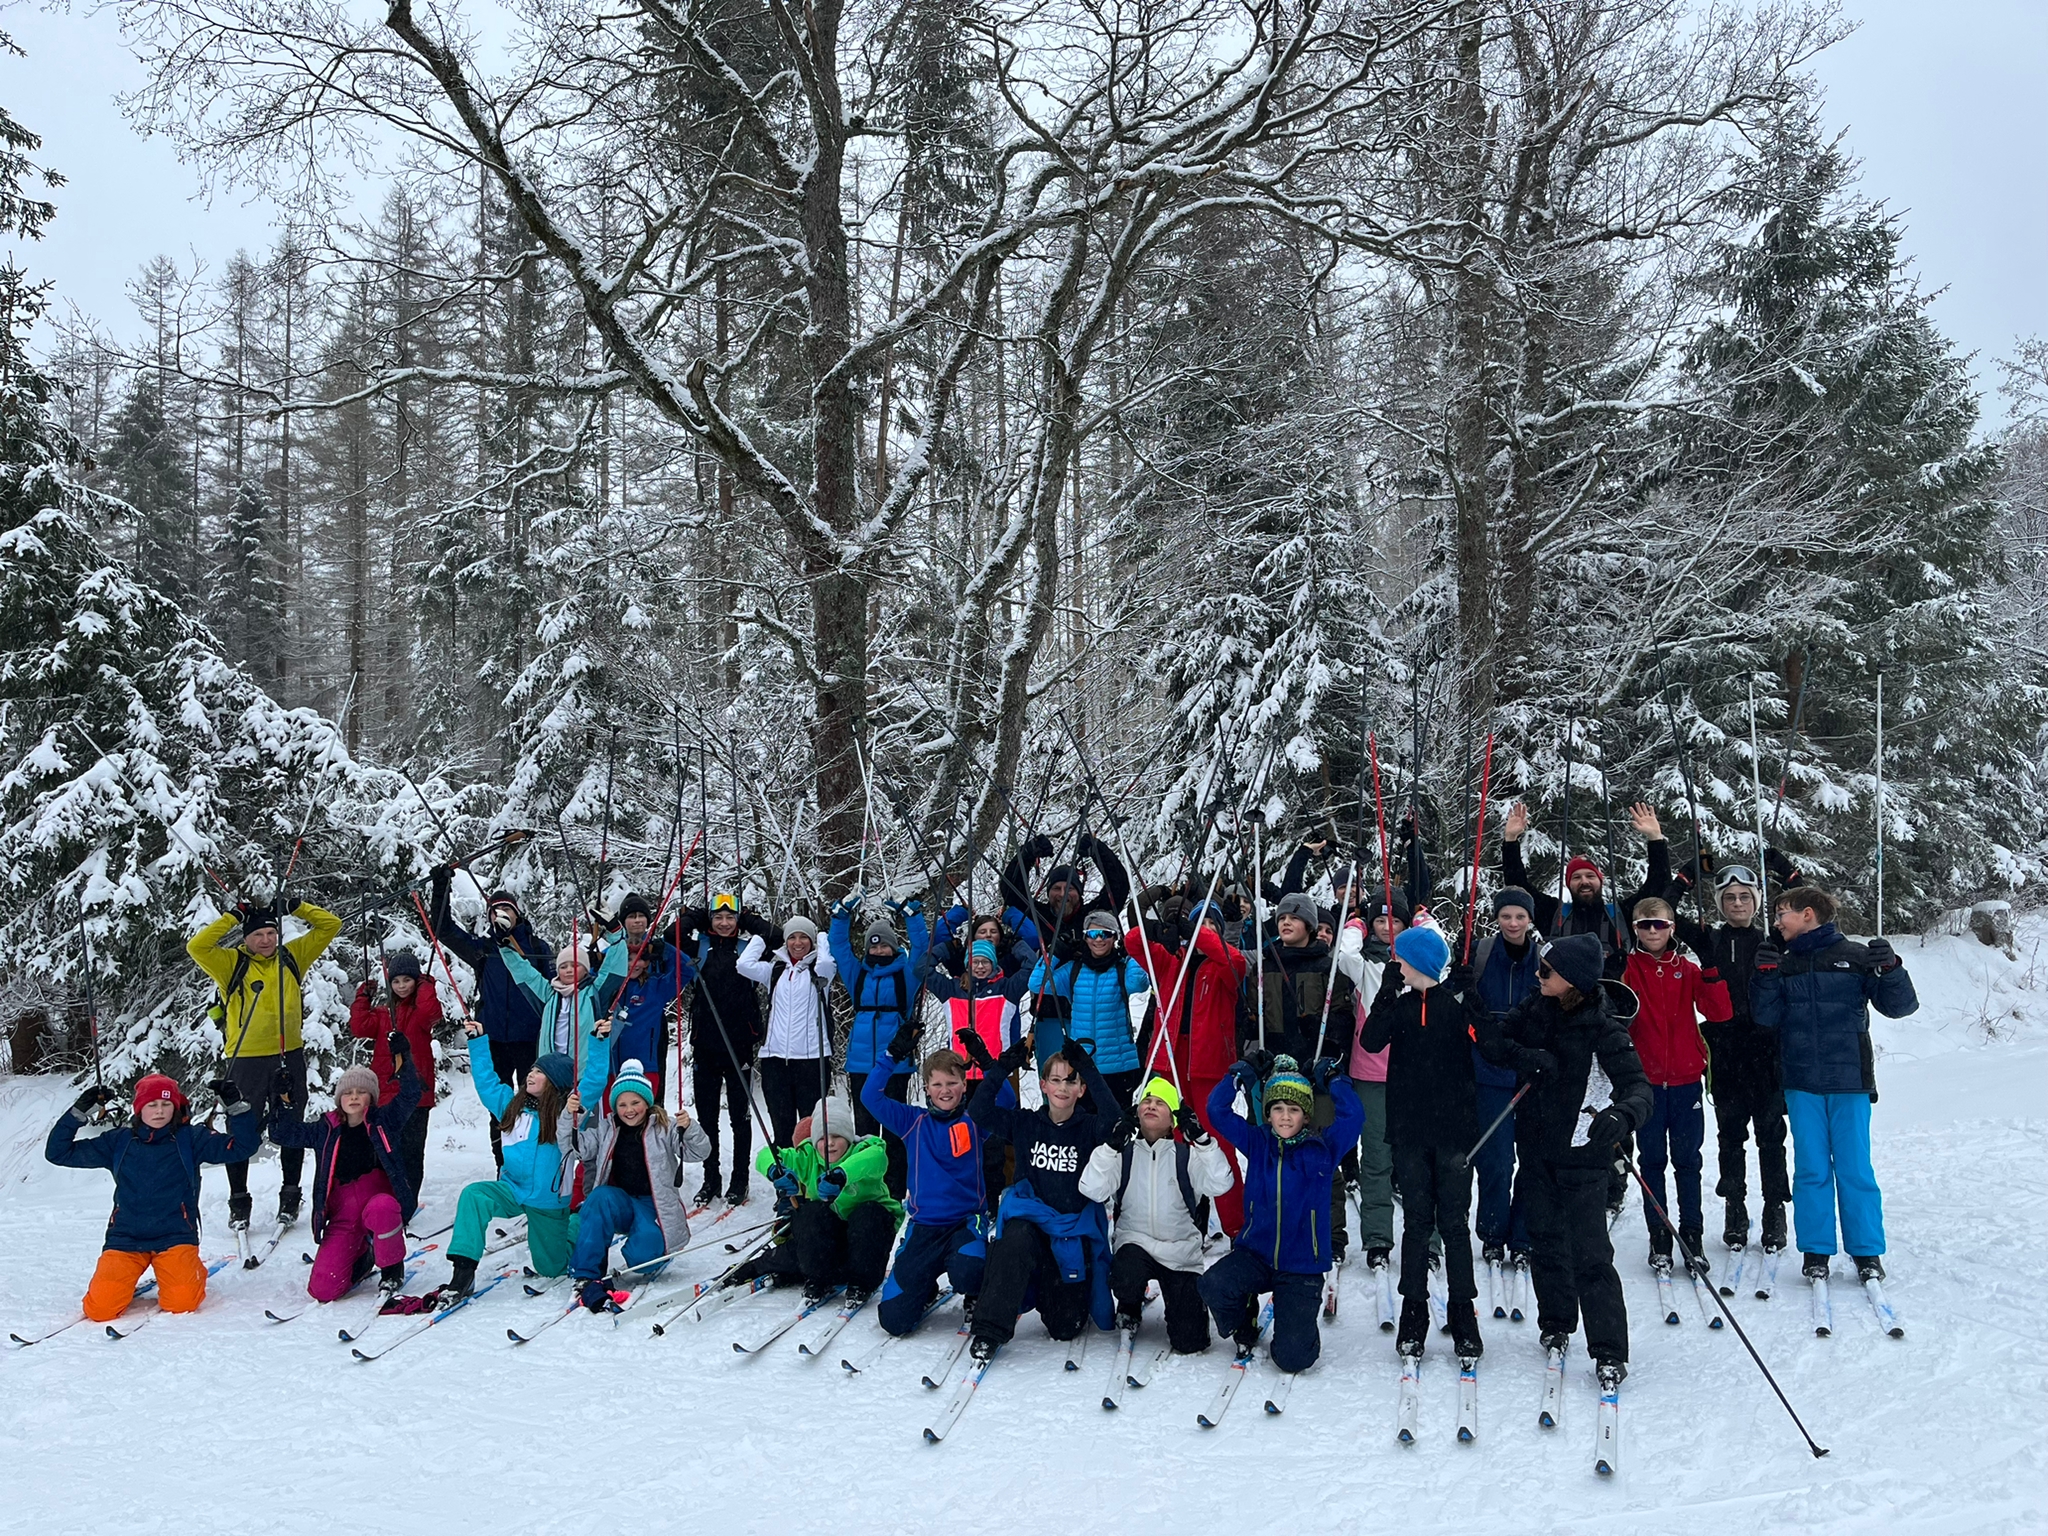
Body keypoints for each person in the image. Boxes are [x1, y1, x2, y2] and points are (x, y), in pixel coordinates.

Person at [1480, 932, 1652, 1387]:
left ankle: (1610, 1349)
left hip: (1583, 1155)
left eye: (1546, 971)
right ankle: (1556, 1324)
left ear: (1572, 979)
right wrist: (1529, 1056)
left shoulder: (1603, 1027)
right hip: (1535, 1151)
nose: (1538, 976)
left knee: (1591, 1254)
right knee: (1545, 1242)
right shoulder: (1536, 1009)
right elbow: (1493, 1043)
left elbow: (1638, 1089)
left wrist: (1622, 1115)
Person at [1750, 886, 1918, 1285]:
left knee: (1855, 1168)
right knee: (1810, 1169)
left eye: (1782, 913)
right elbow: (1766, 1018)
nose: (1776, 922)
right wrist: (1764, 977)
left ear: (1808, 914)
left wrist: (1891, 969)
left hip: (1850, 1081)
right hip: (1801, 1080)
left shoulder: (1858, 956)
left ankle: (1866, 1251)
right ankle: (1816, 1250)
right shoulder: (1784, 962)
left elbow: (1900, 1007)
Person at [1360, 921, 1486, 1358]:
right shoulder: (1400, 1005)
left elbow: (1489, 1044)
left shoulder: (1455, 1004)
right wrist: (1386, 992)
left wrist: (1473, 997)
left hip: (1455, 1135)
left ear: (1418, 963)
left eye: (1400, 960)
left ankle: (1463, 1310)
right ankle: (1414, 1311)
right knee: (1416, 1224)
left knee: (1453, 1224)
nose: (1396, 964)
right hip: (1410, 1133)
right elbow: (1371, 1041)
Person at [186, 894, 343, 1233]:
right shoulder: (231, 963)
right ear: (246, 939)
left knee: (290, 1127)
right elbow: (197, 947)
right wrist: (234, 916)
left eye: (271, 933)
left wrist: (294, 907)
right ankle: (239, 1202)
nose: (266, 940)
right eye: (258, 935)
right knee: (242, 1129)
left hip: (290, 1055)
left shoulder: (292, 956)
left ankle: (290, 1196)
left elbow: (331, 925)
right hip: (246, 1059)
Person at [1197, 1054, 1363, 1372]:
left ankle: (1297, 1321)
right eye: (1278, 1109)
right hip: (1256, 1255)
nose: (1285, 1117)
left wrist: (1335, 1080)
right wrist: (1237, 1075)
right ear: (1268, 1113)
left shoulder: (1323, 1149)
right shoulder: (1258, 1142)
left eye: (1294, 1110)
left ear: (1305, 1114)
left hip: (1301, 1265)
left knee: (1293, 1359)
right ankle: (1245, 1319)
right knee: (1213, 1284)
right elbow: (1216, 1111)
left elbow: (1353, 1116)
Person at [46, 1074, 259, 1322]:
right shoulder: (119, 1141)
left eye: (166, 1104)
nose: (159, 1111)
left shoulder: (191, 1139)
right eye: (152, 1105)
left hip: (175, 1236)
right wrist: (78, 1113)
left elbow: (244, 1147)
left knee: (182, 1303)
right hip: (125, 1238)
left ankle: (193, 1271)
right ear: (140, 1109)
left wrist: (236, 1108)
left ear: (176, 1107)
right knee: (100, 1310)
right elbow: (58, 1153)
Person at [959, 1034, 1120, 1361]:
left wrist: (1088, 1067)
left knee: (1065, 1327)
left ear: (1081, 1089)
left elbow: (1115, 1120)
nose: (1063, 1087)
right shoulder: (1025, 1122)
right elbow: (978, 1110)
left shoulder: (1090, 1127)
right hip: (1030, 1226)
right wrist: (1003, 1065)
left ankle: (1053, 1291)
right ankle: (989, 1330)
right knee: (1014, 1238)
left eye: (1071, 1080)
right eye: (1056, 1079)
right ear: (1044, 1085)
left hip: (1070, 1233)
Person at [1666, 856, 1793, 1252]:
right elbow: (1665, 910)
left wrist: (1780, 868)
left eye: (1745, 897)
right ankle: (1735, 1207)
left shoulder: (1775, 939)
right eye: (1730, 898)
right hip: (1725, 1053)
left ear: (1757, 902)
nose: (1738, 903)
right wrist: (1686, 875)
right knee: (1729, 1137)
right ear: (1720, 904)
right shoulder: (1709, 939)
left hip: (1769, 1052)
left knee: (1771, 1138)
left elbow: (1809, 903)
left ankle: (1775, 1210)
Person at [1078, 1075, 1233, 1353]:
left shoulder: (1186, 1155)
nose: (1151, 1105)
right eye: (1147, 1101)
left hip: (1180, 1254)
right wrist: (1111, 1146)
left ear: (1173, 1118)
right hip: (1135, 1246)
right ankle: (1129, 1304)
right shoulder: (1123, 1153)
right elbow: (1091, 1188)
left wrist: (1203, 1141)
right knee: (1126, 1274)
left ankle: (1187, 1305)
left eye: (1160, 1103)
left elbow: (1222, 1183)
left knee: (1191, 1343)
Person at [1622, 895, 1731, 1272]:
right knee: (1651, 1161)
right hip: (1646, 1083)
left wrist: (1711, 965)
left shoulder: (1686, 968)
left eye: (1661, 924)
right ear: (1634, 929)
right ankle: (1660, 1237)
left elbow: (1719, 1012)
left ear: (1672, 928)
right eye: (1644, 925)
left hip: (1685, 1081)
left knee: (1688, 1162)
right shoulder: (1629, 968)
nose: (1653, 931)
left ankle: (1692, 1236)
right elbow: (1614, 1010)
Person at [1126, 897, 1249, 1233]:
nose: (1204, 932)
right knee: (1174, 1146)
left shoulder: (1225, 964)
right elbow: (1132, 942)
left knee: (1218, 1145)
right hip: (1170, 1064)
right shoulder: (1170, 963)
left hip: (1209, 1065)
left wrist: (1198, 933)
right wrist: (1157, 930)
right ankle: (1183, 1218)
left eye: (1211, 926)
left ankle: (1236, 1225)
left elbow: (1233, 960)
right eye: (1199, 924)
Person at [268, 1038, 423, 1303]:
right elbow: (283, 1133)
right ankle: (364, 1256)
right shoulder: (325, 1129)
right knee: (323, 1290)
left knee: (383, 1208)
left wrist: (403, 1059)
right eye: (348, 1093)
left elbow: (411, 1094)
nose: (353, 1097)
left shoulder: (385, 1121)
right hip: (343, 1212)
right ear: (339, 1098)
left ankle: (392, 1267)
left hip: (378, 1202)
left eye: (361, 1092)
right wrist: (282, 1100)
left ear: (371, 1098)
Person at [864, 1027, 991, 1336]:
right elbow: (870, 1096)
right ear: (926, 1088)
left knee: (970, 1271)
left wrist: (986, 1060)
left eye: (952, 1082)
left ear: (964, 1085)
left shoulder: (975, 1120)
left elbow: (1006, 1098)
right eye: (937, 1084)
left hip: (964, 1222)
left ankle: (977, 1294)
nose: (945, 1090)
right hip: (924, 1228)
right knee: (893, 1320)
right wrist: (892, 1055)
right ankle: (924, 1287)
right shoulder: (912, 1122)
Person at [559, 1059, 712, 1312]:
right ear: (615, 1107)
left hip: (654, 1206)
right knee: (598, 1198)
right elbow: (576, 1148)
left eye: (635, 1102)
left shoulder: (665, 1127)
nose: (629, 1110)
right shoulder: (606, 1128)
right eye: (622, 1104)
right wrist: (569, 1117)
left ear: (646, 1102)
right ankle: (585, 1273)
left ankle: (650, 1246)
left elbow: (699, 1152)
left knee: (644, 1260)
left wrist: (690, 1128)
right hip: (620, 1202)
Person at [427, 871, 553, 1172]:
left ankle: (534, 1163)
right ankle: (503, 1165)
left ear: (517, 914)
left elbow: (552, 992)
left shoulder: (538, 948)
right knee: (498, 1109)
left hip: (530, 1040)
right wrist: (440, 886)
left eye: (506, 909)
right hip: (494, 1038)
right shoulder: (484, 948)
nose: (500, 915)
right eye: (494, 911)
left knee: (536, 1104)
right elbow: (442, 930)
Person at [442, 1026, 579, 1299]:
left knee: (552, 1268)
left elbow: (594, 1082)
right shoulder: (511, 1105)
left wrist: (598, 1047)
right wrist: (478, 1042)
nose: (531, 1074)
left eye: (540, 1072)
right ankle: (463, 1271)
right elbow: (486, 1081)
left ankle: (577, 1223)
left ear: (555, 1082)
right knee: (475, 1195)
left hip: (548, 1201)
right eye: (532, 1069)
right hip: (512, 1189)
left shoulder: (568, 1115)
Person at [1259, 889, 1357, 1260]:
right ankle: (1281, 1226)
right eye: (1283, 916)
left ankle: (1331, 1234)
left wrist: (1327, 1037)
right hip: (1276, 1076)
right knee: (1275, 1157)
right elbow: (1248, 1017)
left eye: (1295, 917)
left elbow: (1345, 1022)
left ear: (1311, 926)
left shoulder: (1326, 967)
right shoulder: (1266, 964)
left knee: (1321, 1159)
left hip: (1316, 1076)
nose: (1286, 922)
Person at [738, 1095, 904, 1303]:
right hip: (833, 1241)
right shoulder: (808, 1156)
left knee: (869, 1213)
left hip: (867, 1241)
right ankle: (818, 1277)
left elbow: (874, 1160)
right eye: (823, 1138)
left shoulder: (866, 1149)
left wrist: (841, 1175)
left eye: (837, 1136)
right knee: (810, 1213)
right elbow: (765, 1154)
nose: (830, 1143)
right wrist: (775, 1170)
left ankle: (862, 1282)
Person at [675, 892, 782, 1206]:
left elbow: (775, 937)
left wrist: (747, 917)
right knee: (708, 1119)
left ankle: (740, 1180)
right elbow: (672, 936)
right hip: (705, 1045)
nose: (724, 923)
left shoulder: (748, 949)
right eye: (718, 917)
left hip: (739, 1045)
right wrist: (695, 915)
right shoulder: (700, 948)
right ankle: (711, 1178)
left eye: (730, 918)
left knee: (740, 1118)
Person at [830, 894, 929, 1199]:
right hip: (860, 1063)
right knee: (865, 1129)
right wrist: (841, 916)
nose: (878, 950)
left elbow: (922, 951)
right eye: (873, 945)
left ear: (894, 946)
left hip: (895, 1063)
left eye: (883, 944)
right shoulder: (858, 974)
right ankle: (867, 1186)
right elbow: (840, 948)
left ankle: (897, 1188)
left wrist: (911, 916)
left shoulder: (906, 974)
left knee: (896, 1128)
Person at [1499, 800, 1671, 975]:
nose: (1584, 881)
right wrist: (1511, 840)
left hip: (1613, 998)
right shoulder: (1554, 915)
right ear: (1568, 884)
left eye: (1590, 876)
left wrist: (1655, 838)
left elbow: (1658, 886)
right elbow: (1517, 887)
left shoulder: (1621, 915)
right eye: (1576, 877)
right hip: (1564, 999)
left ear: (1600, 881)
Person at [1465, 889, 1540, 1275]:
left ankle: (1524, 1236)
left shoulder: (1543, 959)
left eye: (1520, 917)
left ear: (1530, 920)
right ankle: (1493, 1233)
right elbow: (1458, 1002)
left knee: (1531, 1159)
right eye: (1506, 916)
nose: (1513, 923)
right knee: (1495, 1160)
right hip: (1488, 1071)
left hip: (1529, 1074)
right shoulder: (1480, 954)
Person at [1028, 910, 1150, 1107]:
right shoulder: (1075, 970)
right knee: (1084, 1129)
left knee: (1116, 1129)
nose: (1099, 939)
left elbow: (1139, 983)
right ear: (1085, 937)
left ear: (1115, 937)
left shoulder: (1121, 968)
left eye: (1106, 933)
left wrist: (1133, 953)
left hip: (1118, 1066)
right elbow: (1036, 984)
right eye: (1092, 934)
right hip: (1082, 1065)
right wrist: (1056, 952)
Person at [347, 950, 442, 1199]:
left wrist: (425, 985)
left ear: (416, 981)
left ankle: (407, 1200)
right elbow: (359, 1027)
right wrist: (362, 998)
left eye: (407, 980)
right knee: (383, 1149)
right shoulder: (381, 1014)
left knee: (411, 1151)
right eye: (396, 981)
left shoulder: (420, 1014)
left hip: (415, 1095)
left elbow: (430, 1013)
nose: (401, 986)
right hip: (385, 1094)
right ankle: (383, 1197)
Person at [737, 915, 838, 1147]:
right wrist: (763, 938)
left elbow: (824, 963)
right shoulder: (776, 971)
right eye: (792, 937)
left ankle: (809, 1179)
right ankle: (786, 1181)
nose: (798, 942)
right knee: (782, 1129)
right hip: (775, 1061)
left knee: (810, 1128)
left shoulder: (821, 973)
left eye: (804, 937)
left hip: (811, 1061)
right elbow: (743, 965)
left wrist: (822, 935)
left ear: (812, 942)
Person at [501, 936, 628, 1111]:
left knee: (579, 1123)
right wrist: (505, 947)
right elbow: (525, 974)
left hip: (582, 1074)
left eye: (575, 965)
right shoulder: (549, 994)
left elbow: (613, 969)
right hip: (550, 1075)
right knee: (549, 1123)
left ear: (586, 969)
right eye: (563, 966)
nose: (568, 970)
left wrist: (616, 934)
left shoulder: (595, 992)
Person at [594, 892, 695, 1104]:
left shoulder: (654, 984)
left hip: (646, 1058)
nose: (637, 920)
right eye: (631, 916)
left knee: (647, 1109)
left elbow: (685, 970)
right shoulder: (612, 962)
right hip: (611, 1061)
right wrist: (594, 959)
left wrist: (665, 949)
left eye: (642, 915)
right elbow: (593, 982)